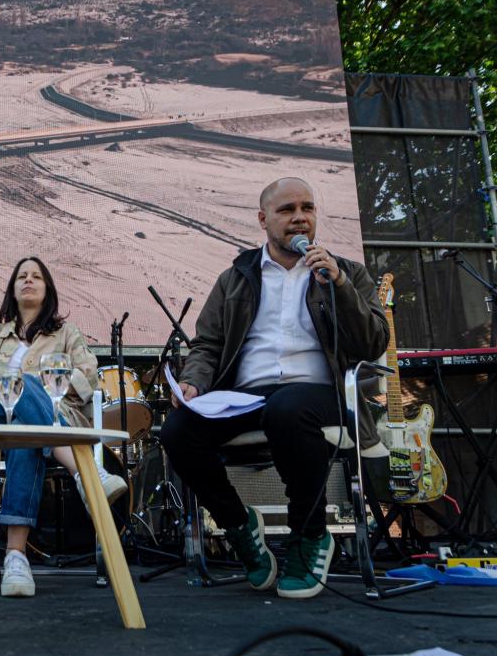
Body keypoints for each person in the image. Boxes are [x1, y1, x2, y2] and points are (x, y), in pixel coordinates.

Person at [160, 177, 388, 599]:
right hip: (248, 395)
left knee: (288, 407)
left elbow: (371, 344)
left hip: (322, 395)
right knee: (177, 431)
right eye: (287, 210)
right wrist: (193, 382)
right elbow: (207, 344)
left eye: (307, 208)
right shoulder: (236, 277)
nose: (300, 218)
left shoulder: (347, 273)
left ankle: (309, 536)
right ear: (264, 219)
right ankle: (239, 525)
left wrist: (337, 286)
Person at [0, 256, 127, 598]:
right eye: (21, 276)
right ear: (12, 287)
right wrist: (11, 388)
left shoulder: (67, 334)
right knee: (21, 385)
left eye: (36, 276)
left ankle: (15, 558)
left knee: (27, 434)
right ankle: (87, 474)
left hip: (48, 420)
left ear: (47, 288)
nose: (28, 280)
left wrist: (42, 387)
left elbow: (89, 378)